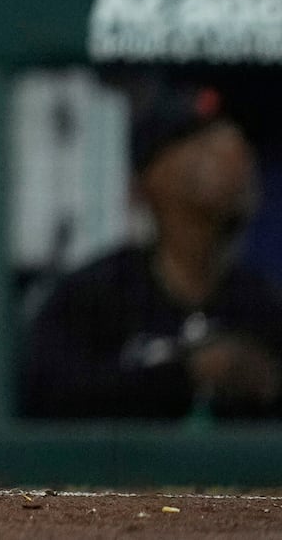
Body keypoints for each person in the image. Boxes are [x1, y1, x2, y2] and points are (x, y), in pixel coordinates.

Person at [20, 84, 282, 419]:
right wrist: (184, 373)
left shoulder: (262, 304)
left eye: (235, 145)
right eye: (200, 145)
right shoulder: (93, 297)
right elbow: (46, 401)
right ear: (145, 184)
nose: (230, 157)